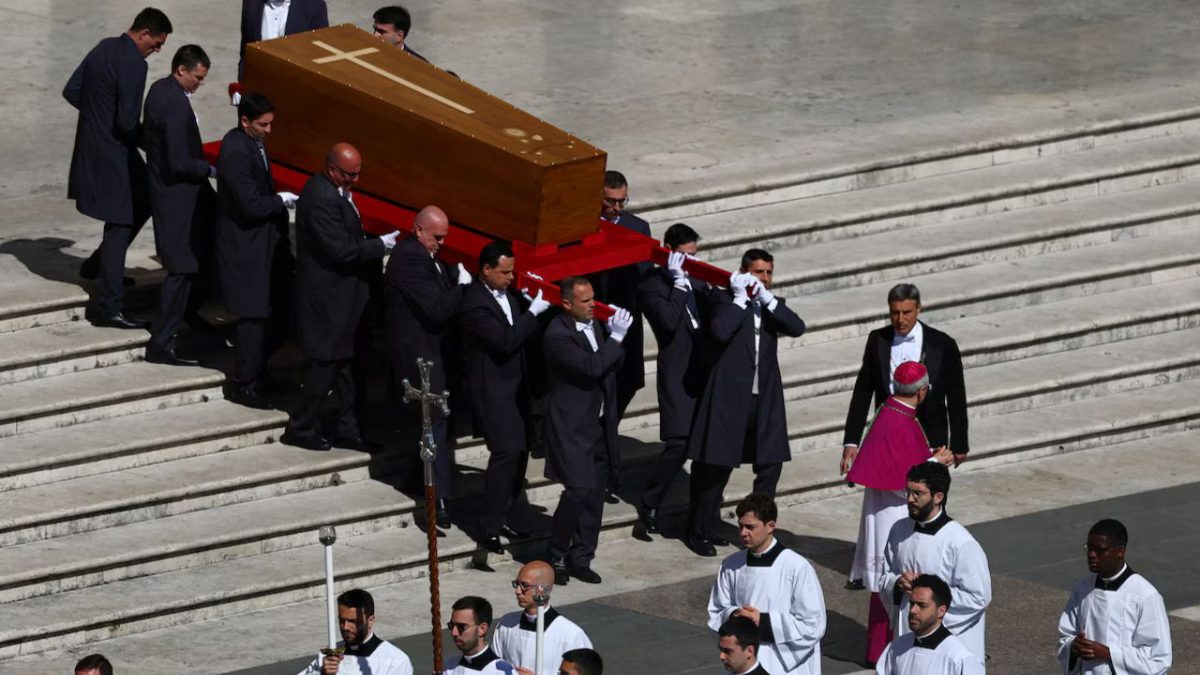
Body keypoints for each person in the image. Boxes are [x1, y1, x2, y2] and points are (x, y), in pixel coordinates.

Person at [686, 250, 806, 556]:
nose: (763, 278)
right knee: (716, 466)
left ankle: (756, 524)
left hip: (763, 399)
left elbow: (796, 326)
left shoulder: (770, 305)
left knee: (771, 464)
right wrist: (740, 300)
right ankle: (699, 527)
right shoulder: (724, 300)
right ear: (742, 272)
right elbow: (720, 331)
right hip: (729, 397)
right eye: (757, 272)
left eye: (768, 272)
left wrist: (767, 300)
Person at [283, 143, 398, 451]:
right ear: (332, 169)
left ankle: (349, 429)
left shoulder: (335, 191)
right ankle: (301, 426)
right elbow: (341, 250)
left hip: (344, 298)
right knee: (325, 367)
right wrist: (380, 246)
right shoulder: (321, 198)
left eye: (358, 174)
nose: (355, 180)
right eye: (349, 174)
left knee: (347, 368)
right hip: (328, 300)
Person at [64, 8, 172, 329]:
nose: (157, 49)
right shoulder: (134, 65)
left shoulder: (103, 46)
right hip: (114, 154)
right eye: (156, 43)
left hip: (93, 146)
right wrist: (155, 143)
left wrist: (97, 116)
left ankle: (98, 265)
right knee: (121, 223)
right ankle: (108, 306)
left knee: (144, 199)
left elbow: (71, 91)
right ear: (142, 34)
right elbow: (126, 121)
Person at [842, 361, 955, 662]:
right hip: (894, 513)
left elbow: (898, 466)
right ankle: (886, 652)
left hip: (882, 510)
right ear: (921, 391)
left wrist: (928, 459)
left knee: (888, 585)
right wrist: (936, 464)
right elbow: (905, 483)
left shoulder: (890, 410)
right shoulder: (900, 420)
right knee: (895, 583)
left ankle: (877, 649)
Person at [460, 241, 552, 552]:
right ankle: (490, 525)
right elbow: (504, 341)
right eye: (504, 272)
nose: (511, 278)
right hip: (495, 392)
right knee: (506, 455)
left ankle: (510, 515)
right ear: (486, 270)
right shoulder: (474, 302)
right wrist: (533, 313)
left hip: (517, 388)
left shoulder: (506, 294)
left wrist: (527, 308)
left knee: (520, 453)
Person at [542, 277, 633, 584]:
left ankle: (581, 556)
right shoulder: (557, 334)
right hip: (571, 426)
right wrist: (616, 340)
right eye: (585, 301)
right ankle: (555, 552)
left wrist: (612, 341)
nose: (593, 304)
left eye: (594, 298)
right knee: (579, 489)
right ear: (567, 304)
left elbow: (609, 366)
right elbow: (591, 368)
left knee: (595, 493)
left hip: (598, 423)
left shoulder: (594, 325)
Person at [384, 205, 471, 526]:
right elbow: (435, 309)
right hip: (418, 356)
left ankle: (420, 481)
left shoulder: (424, 255)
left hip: (429, 351)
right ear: (419, 230)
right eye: (436, 237)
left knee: (430, 424)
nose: (441, 243)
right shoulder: (409, 259)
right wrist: (462, 286)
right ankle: (440, 499)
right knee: (434, 423)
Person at [215, 92, 298, 409]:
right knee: (252, 318)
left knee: (272, 313)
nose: (268, 130)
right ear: (244, 120)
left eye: (270, 124)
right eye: (263, 124)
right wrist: (281, 201)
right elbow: (250, 205)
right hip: (246, 249)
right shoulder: (236, 151)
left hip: (263, 246)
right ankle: (244, 383)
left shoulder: (254, 143)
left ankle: (258, 373)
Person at [141, 44, 216, 366]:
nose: (200, 84)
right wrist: (212, 168)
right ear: (181, 69)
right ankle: (162, 341)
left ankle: (183, 318)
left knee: (195, 261)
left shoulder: (161, 91)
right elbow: (179, 160)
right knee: (181, 268)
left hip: (177, 196)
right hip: (177, 200)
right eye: (197, 77)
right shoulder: (173, 104)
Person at [636, 223, 710, 535]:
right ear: (668, 250)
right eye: (684, 256)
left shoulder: (699, 277)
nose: (690, 262)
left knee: (708, 445)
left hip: (704, 368)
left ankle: (701, 517)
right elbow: (666, 323)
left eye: (694, 255)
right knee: (679, 442)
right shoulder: (651, 284)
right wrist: (680, 286)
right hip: (678, 372)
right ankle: (650, 502)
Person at [843, 284, 968, 468]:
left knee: (927, 494)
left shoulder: (943, 344)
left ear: (919, 308)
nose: (900, 319)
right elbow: (863, 392)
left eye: (907, 312)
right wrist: (851, 441)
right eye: (895, 313)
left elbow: (956, 395)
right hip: (888, 437)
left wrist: (959, 444)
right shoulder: (878, 340)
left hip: (930, 439)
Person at [879, 462, 990, 670]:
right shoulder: (899, 530)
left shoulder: (960, 543)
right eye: (908, 492)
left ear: (938, 497)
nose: (910, 499)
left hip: (946, 645)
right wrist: (897, 583)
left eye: (918, 494)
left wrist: (929, 594)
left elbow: (978, 597)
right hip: (908, 636)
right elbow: (884, 575)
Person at [708, 493, 826, 674]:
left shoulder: (797, 567)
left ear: (770, 526)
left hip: (785, 666)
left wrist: (762, 621)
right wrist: (735, 615)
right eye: (740, 526)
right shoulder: (731, 565)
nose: (742, 533)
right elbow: (716, 610)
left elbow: (813, 624)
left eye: (750, 527)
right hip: (746, 662)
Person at [589, 171, 650, 497]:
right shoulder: (584, 225)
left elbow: (643, 276)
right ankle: (608, 472)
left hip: (627, 326)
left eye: (620, 201)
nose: (615, 207)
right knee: (604, 402)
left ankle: (605, 445)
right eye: (609, 201)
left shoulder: (637, 228)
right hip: (595, 325)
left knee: (623, 391)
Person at [1056, 519, 1172, 675]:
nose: (1091, 555)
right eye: (1089, 548)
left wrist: (1109, 654)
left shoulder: (1145, 596)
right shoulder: (1082, 589)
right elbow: (1066, 636)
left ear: (1120, 552)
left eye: (1100, 550)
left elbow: (1158, 660)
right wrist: (1073, 647)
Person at [493, 561, 592, 675]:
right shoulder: (506, 624)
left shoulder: (571, 635)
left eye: (525, 585)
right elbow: (494, 667)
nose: (517, 591)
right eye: (517, 584)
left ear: (544, 589)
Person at [875, 575, 984, 675]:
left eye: (922, 605)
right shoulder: (896, 647)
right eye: (912, 603)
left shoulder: (959, 659)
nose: (913, 610)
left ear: (941, 611)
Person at [297, 589, 412, 675]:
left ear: (370, 621)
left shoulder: (395, 661)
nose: (345, 627)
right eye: (342, 620)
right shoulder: (329, 654)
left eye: (353, 621)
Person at [240, 0, 329, 77]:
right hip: (257, 89)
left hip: (296, 88)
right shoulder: (251, 3)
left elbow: (321, 60)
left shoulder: (314, 7)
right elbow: (246, 52)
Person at [444, 596, 514, 675]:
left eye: (461, 627)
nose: (454, 632)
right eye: (451, 626)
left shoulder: (501, 672)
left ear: (482, 629)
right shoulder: (448, 667)